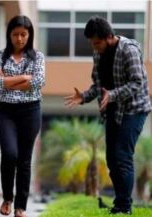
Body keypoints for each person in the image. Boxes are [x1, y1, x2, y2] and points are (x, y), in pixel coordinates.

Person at [64, 16, 151, 215]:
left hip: (134, 109)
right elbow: (98, 85)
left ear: (109, 37)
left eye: (97, 43)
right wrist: (84, 97)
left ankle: (124, 206)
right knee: (112, 159)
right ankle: (120, 204)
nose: (94, 47)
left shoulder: (128, 50)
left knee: (122, 156)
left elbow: (137, 83)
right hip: (112, 109)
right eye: (91, 43)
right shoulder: (98, 54)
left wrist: (112, 95)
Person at [0, 15, 45, 217]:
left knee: (24, 159)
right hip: (5, 111)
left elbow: (38, 81)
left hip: (31, 111)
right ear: (9, 35)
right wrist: (23, 77)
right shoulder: (0, 56)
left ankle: (20, 207)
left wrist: (8, 80)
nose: (19, 38)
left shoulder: (37, 57)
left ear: (29, 35)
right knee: (9, 153)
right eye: (15, 34)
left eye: (23, 34)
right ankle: (7, 198)